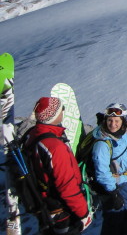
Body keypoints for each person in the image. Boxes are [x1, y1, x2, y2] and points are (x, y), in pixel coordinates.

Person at [24, 96, 92, 234]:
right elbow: (67, 185)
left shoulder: (33, 134)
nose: (63, 112)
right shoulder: (54, 146)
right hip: (61, 210)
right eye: (61, 109)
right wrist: (83, 213)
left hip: (46, 206)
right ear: (52, 115)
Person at [91, 103, 127, 235]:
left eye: (117, 120)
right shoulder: (102, 144)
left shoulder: (123, 134)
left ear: (123, 121)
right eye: (110, 120)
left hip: (124, 180)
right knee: (113, 219)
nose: (113, 124)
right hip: (112, 186)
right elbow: (102, 173)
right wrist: (113, 193)